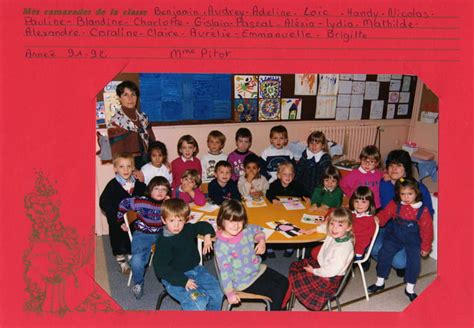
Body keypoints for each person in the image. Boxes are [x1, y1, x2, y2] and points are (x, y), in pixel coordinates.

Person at [214, 200, 289, 311]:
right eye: (231, 221)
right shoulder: (221, 246)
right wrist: (229, 293)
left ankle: (276, 310)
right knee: (277, 291)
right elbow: (225, 273)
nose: (236, 226)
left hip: (257, 269)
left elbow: (258, 229)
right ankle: (275, 317)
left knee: (284, 281)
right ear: (221, 220)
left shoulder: (245, 229)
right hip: (242, 280)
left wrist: (261, 241)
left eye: (239, 221)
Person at [367, 178, 433, 302]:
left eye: (410, 194)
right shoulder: (395, 204)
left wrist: (426, 247)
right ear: (398, 194)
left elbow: (427, 231)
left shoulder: (422, 210)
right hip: (395, 236)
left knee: (414, 263)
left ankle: (410, 288)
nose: (406, 197)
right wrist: (378, 218)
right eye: (403, 194)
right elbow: (385, 213)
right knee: (384, 253)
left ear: (416, 193)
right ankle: (380, 281)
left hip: (413, 240)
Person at [152, 199, 223, 311]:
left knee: (218, 292)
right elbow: (161, 269)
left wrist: (208, 236)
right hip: (173, 276)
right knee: (198, 302)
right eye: (172, 221)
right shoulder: (164, 241)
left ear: (186, 219)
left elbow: (203, 225)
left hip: (195, 269)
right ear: (163, 220)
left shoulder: (187, 229)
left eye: (180, 220)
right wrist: (183, 281)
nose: (176, 225)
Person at [373, 149, 434, 277]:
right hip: (387, 226)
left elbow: (429, 217)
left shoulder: (419, 188)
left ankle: (399, 262)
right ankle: (385, 261)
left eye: (398, 165)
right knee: (372, 248)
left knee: (399, 262)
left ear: (406, 168)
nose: (393, 169)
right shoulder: (384, 183)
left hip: (408, 231)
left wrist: (423, 242)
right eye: (391, 165)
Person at [283, 207, 354, 311]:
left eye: (340, 225)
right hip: (324, 268)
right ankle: (283, 303)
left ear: (348, 227)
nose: (334, 228)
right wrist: (312, 230)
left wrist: (314, 271)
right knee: (296, 266)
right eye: (332, 224)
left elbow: (330, 271)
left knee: (294, 275)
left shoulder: (342, 248)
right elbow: (325, 228)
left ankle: (281, 307)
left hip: (328, 279)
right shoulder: (338, 234)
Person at [117, 176, 171, 299]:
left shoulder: (167, 203)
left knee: (177, 248)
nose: (160, 192)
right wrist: (121, 220)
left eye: (164, 189)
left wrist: (170, 203)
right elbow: (123, 203)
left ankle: (176, 279)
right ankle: (138, 283)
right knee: (137, 261)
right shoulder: (141, 201)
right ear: (150, 190)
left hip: (162, 232)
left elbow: (179, 212)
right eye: (156, 188)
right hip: (143, 234)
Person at [99, 153, 146, 274]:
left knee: (132, 238)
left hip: (133, 219)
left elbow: (145, 194)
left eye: (129, 166)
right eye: (121, 166)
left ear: (133, 167)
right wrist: (118, 220)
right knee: (118, 240)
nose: (125, 170)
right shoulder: (112, 185)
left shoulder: (136, 183)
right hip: (117, 221)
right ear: (115, 168)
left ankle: (131, 255)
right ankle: (121, 260)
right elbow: (104, 202)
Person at [107, 80, 156, 169]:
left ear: (137, 97)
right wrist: (132, 171)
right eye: (126, 95)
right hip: (128, 166)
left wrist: (159, 162)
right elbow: (117, 154)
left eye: (133, 94)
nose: (130, 98)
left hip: (148, 163)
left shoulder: (143, 118)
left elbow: (153, 143)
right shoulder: (115, 122)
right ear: (119, 98)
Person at [265, 162, 308, 258]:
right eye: (285, 174)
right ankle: (269, 246)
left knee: (293, 226)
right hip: (277, 211)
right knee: (273, 225)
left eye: (290, 174)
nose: (288, 177)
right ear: (279, 175)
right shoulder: (274, 184)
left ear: (293, 175)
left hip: (292, 212)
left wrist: (307, 197)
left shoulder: (297, 185)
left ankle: (290, 246)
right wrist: (273, 199)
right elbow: (268, 194)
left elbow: (305, 193)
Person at [295, 131, 332, 197]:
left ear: (323, 145)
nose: (314, 146)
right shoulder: (305, 154)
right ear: (308, 144)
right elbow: (298, 170)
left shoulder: (325, 159)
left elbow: (324, 178)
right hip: (304, 187)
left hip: (318, 190)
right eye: (311, 143)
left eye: (317, 143)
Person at [349, 186, 377, 263]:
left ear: (370, 203)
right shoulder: (352, 214)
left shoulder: (369, 219)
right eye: (356, 201)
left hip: (356, 250)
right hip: (347, 243)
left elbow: (364, 239)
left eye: (363, 202)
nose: (359, 205)